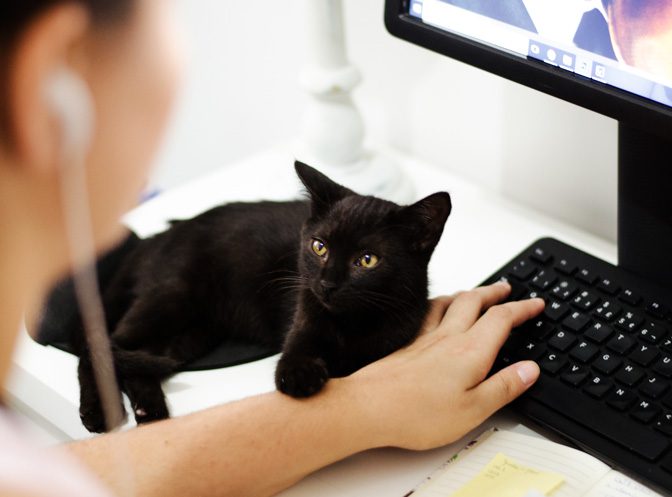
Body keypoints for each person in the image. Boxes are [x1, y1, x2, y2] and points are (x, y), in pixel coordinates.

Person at [0, 1, 544, 496]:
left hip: (235, 310)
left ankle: (128, 366)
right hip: (208, 253)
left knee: (179, 341)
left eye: (363, 261)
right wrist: (369, 409)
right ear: (54, 81)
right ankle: (109, 356)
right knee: (163, 314)